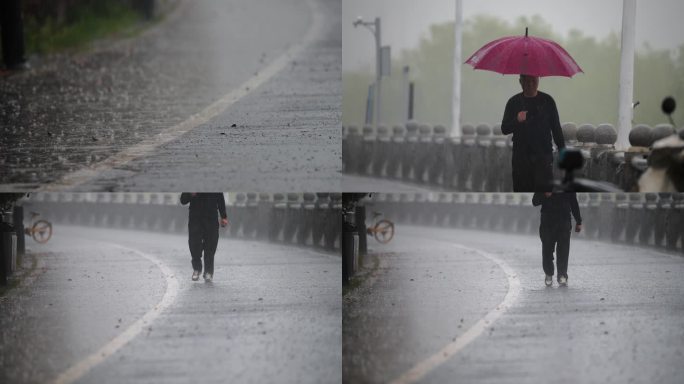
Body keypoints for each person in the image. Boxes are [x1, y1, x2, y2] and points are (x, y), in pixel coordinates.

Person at [501, 75, 566, 192]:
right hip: (521, 160)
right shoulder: (513, 102)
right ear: (520, 81)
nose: (530, 84)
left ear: (538, 80)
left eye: (533, 80)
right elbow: (504, 128)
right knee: (523, 193)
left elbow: (556, 128)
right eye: (526, 80)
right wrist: (517, 120)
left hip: (543, 158)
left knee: (545, 196)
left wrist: (562, 150)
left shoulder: (547, 101)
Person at [532, 192, 582, 286]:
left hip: (564, 221)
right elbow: (535, 201)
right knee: (547, 249)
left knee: (563, 250)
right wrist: (544, 195)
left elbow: (573, 202)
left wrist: (578, 221)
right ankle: (549, 273)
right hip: (547, 222)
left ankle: (562, 275)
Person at [180, 193, 228, 282]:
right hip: (195, 218)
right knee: (194, 244)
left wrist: (223, 216)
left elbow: (220, 198)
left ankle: (208, 272)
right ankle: (197, 269)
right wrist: (190, 194)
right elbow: (183, 200)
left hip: (211, 217)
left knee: (211, 245)